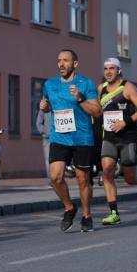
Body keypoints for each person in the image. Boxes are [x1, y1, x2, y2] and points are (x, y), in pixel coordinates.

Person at [39, 50, 102, 232]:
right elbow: (48, 106)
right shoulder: (49, 84)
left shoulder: (86, 83)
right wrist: (44, 107)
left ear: (75, 64)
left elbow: (97, 112)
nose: (61, 64)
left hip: (82, 138)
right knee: (55, 177)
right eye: (59, 60)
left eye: (65, 60)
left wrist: (80, 98)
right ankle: (69, 207)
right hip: (59, 136)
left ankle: (87, 215)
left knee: (83, 179)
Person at [98, 57, 137, 226]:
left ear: (119, 70)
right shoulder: (101, 89)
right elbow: (96, 110)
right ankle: (114, 212)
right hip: (108, 137)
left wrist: (124, 122)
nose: (108, 72)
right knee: (107, 170)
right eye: (106, 68)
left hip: (127, 137)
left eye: (112, 68)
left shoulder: (127, 87)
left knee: (130, 178)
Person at [35, 104, 52, 187]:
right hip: (48, 138)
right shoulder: (44, 108)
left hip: (60, 137)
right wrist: (45, 132)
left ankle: (59, 179)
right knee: (48, 160)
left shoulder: (60, 105)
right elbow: (38, 123)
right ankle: (51, 181)